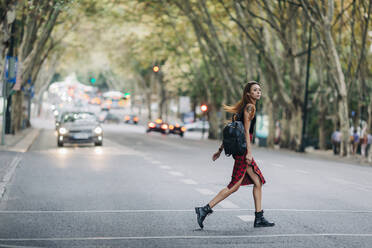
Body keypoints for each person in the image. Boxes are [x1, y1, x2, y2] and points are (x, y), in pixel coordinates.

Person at [194, 81, 275, 229]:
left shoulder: (243, 108)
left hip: (241, 150)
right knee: (234, 186)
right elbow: (245, 132)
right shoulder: (250, 107)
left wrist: (220, 150)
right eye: (255, 90)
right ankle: (204, 209)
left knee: (258, 181)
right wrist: (249, 153)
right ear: (248, 94)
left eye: (259, 90)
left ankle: (259, 217)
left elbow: (233, 132)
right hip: (244, 152)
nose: (258, 92)